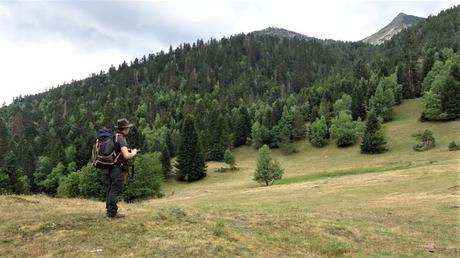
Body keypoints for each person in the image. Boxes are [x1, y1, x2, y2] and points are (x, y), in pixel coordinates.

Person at [106, 118, 139, 219]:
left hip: (111, 167)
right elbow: (126, 155)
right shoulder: (121, 138)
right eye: (128, 128)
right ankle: (112, 213)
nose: (128, 130)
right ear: (125, 129)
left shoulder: (114, 137)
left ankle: (109, 210)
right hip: (118, 169)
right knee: (115, 190)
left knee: (111, 189)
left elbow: (117, 152)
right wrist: (133, 153)